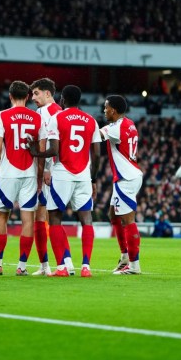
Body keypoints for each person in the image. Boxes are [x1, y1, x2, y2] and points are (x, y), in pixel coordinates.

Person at [28, 85, 102, 277]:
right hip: (84, 174)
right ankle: (86, 267)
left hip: (62, 173)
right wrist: (93, 178)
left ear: (62, 100)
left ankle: (61, 266)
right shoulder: (91, 121)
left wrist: (36, 152)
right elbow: (97, 154)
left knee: (55, 218)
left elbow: (53, 150)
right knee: (86, 220)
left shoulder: (57, 118)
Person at [0, 80, 44, 276]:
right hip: (29, 173)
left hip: (8, 174)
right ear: (27, 97)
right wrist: (40, 176)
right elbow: (42, 150)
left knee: (1, 216)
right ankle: (22, 266)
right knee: (28, 219)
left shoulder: (1, 116)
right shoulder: (37, 117)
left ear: (10, 96)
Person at [99, 95, 144, 275]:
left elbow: (96, 136)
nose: (104, 110)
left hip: (126, 178)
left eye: (106, 107)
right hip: (130, 176)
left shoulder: (116, 129)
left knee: (127, 220)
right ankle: (125, 257)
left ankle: (134, 265)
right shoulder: (128, 123)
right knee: (113, 215)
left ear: (114, 110)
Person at [29, 78, 61, 275]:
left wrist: (46, 169)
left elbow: (47, 143)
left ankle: (46, 266)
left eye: (36, 93)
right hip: (65, 170)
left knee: (40, 216)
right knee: (55, 217)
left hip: (47, 171)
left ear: (48, 93)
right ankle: (64, 264)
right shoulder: (62, 112)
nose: (33, 98)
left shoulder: (44, 113)